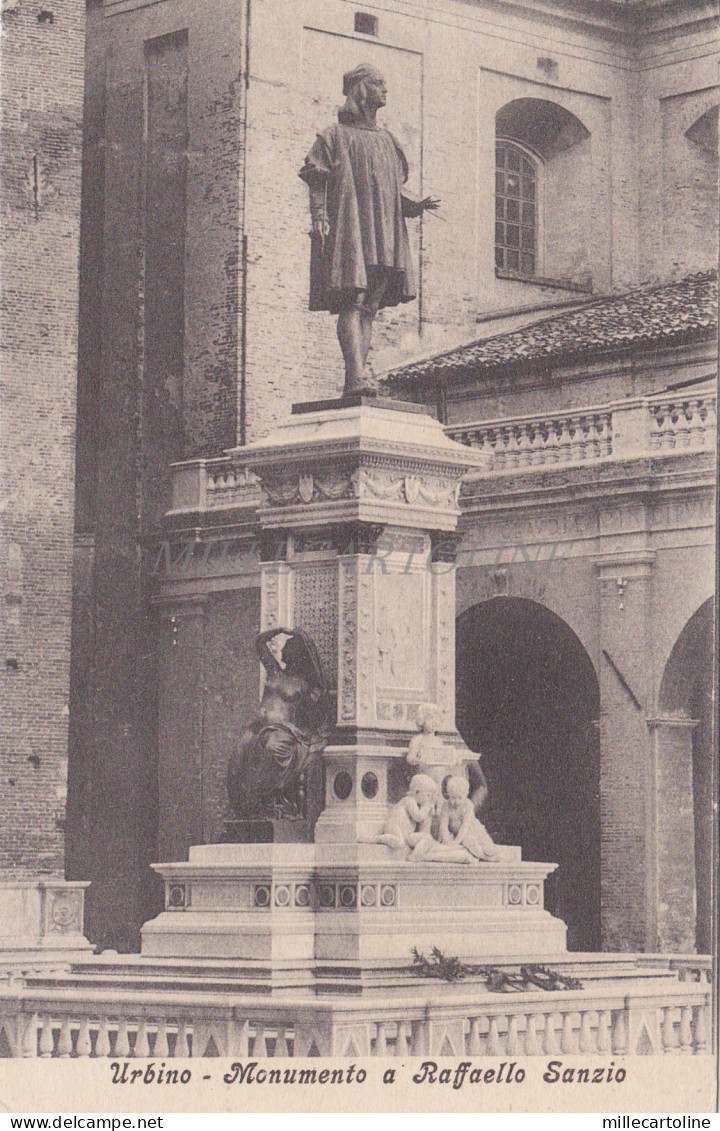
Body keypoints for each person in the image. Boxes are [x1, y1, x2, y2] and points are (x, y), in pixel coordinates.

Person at [300, 64, 439, 396]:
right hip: (350, 227)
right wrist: (319, 217)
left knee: (370, 306)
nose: (384, 89)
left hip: (383, 230)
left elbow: (391, 189)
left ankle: (358, 376)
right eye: (378, 84)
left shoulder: (388, 140)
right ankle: (354, 376)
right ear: (360, 90)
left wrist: (414, 205)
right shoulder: (334, 136)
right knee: (352, 298)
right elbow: (316, 178)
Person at [226, 628, 330, 820]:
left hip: (283, 731)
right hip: (258, 728)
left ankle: (260, 801)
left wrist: (315, 702)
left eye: (288, 648)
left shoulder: (304, 685)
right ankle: (243, 806)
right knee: (237, 757)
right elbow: (259, 644)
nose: (282, 651)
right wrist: (278, 631)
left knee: (273, 749)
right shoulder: (274, 671)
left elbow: (315, 716)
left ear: (298, 654)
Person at [438, 776, 500, 862]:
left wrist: (456, 842)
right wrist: (447, 840)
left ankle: (486, 857)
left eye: (459, 798)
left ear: (466, 795)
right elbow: (443, 825)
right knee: (448, 844)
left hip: (473, 832)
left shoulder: (468, 805)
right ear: (448, 794)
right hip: (457, 835)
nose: (455, 801)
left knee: (481, 846)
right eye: (453, 797)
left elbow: (464, 826)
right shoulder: (446, 806)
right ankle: (481, 856)